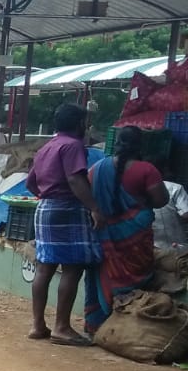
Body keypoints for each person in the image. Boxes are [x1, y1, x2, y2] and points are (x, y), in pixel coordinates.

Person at [25, 104, 103, 346]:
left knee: (44, 267)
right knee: (72, 267)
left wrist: (48, 194)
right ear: (80, 124)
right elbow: (75, 179)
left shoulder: (46, 147)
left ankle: (38, 324)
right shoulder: (73, 146)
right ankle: (62, 327)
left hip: (45, 208)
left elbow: (30, 183)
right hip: (68, 208)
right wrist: (94, 207)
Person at [83, 127, 169, 334]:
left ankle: (96, 325)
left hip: (102, 236)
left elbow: (87, 197)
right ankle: (125, 328)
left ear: (117, 144)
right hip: (135, 241)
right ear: (141, 146)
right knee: (137, 280)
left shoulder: (96, 168)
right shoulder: (147, 170)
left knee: (99, 276)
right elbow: (161, 200)